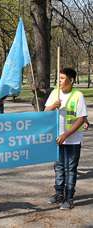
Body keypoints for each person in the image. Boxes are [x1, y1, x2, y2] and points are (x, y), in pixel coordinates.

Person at [45, 68, 88, 210]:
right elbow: (45, 112)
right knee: (58, 168)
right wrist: (53, 106)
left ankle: (69, 198)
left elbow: (81, 119)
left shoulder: (78, 95)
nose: (59, 81)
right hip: (57, 138)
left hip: (72, 140)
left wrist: (66, 135)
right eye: (59, 78)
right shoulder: (54, 93)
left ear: (71, 80)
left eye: (62, 78)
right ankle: (59, 194)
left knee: (70, 169)